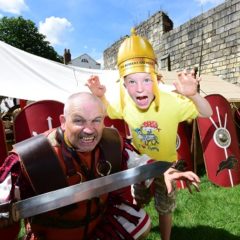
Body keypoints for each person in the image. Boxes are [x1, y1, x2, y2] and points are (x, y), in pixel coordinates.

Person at [0, 92, 200, 240]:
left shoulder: (110, 142)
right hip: (54, 235)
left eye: (96, 120)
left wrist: (165, 170)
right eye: (79, 121)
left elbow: (138, 161)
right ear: (63, 121)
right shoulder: (30, 158)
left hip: (96, 223)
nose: (89, 130)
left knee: (140, 223)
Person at [86, 28, 212, 240]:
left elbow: (206, 112)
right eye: (132, 82)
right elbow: (108, 110)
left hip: (167, 166)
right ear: (124, 85)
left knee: (165, 207)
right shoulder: (124, 103)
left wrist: (194, 95)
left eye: (146, 80)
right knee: (138, 200)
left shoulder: (172, 102)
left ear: (155, 80)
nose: (140, 88)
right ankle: (137, 229)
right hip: (140, 166)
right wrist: (99, 97)